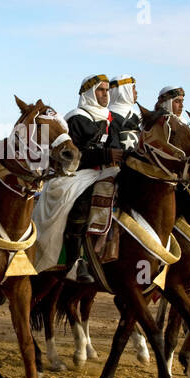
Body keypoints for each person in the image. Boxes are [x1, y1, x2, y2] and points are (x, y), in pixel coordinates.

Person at [61, 74, 123, 283]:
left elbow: (115, 146)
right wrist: (104, 155)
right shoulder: (76, 118)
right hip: (79, 172)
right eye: (100, 90)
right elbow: (71, 155)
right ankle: (75, 261)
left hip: (106, 172)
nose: (105, 94)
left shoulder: (109, 119)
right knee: (82, 200)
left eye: (107, 90)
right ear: (89, 93)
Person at [107, 75, 142, 151]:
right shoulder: (106, 115)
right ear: (124, 91)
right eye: (133, 88)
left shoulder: (138, 116)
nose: (136, 92)